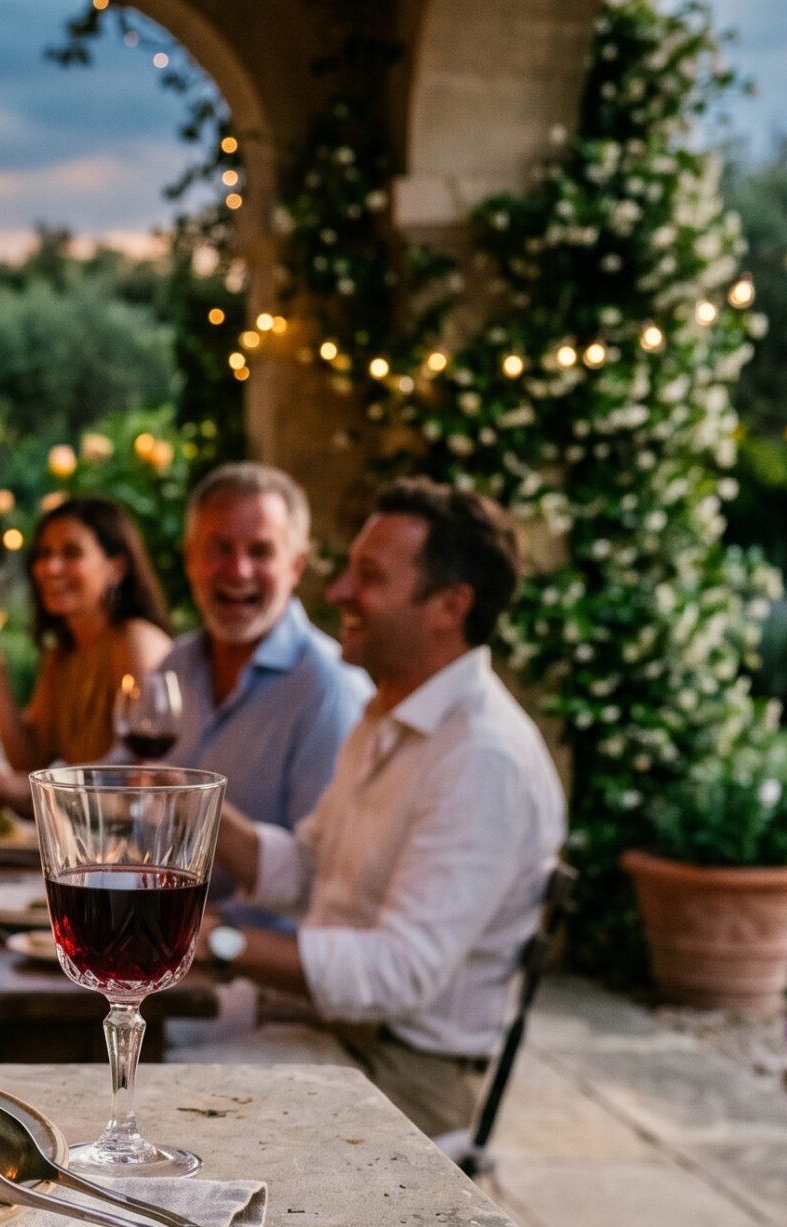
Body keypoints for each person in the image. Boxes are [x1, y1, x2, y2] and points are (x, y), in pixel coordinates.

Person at [204, 478, 566, 1137]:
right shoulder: (388, 712)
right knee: (130, 1069)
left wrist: (218, 942)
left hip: (403, 1078)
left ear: (449, 606)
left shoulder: (483, 757)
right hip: (328, 1035)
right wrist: (190, 811)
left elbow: (399, 973)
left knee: (157, 1097)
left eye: (367, 575)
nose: (337, 590)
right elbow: (310, 870)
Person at [154, 464, 368, 930]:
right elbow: (119, 789)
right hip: (155, 931)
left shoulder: (329, 688)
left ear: (296, 567)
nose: (239, 570)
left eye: (261, 551)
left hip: (248, 966)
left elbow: (316, 881)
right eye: (220, 549)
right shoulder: (178, 664)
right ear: (190, 558)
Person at [0, 495, 172, 782]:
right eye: (44, 554)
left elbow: (142, 776)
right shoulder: (63, 655)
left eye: (71, 553)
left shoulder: (136, 642)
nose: (50, 567)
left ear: (116, 568)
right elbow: (29, 760)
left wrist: (20, 790)